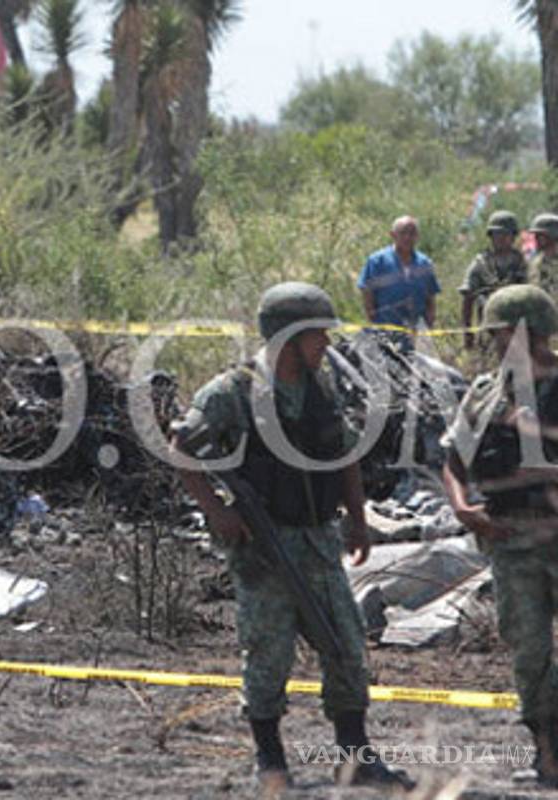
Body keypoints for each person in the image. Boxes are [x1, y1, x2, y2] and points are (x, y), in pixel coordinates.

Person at [171, 282, 413, 792]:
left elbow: (344, 455)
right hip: (264, 549)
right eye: (316, 334)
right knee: (267, 654)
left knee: (346, 646)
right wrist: (218, 512)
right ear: (287, 336)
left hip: (318, 541)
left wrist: (358, 519)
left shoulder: (320, 388)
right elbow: (182, 448)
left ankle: (355, 757)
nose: (325, 344)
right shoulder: (232, 392)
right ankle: (271, 760)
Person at [441, 284, 558, 788]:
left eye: (506, 333)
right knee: (528, 652)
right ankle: (547, 755)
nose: (497, 343)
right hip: (511, 541)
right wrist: (462, 508)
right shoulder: (487, 392)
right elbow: (453, 459)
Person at [357, 216, 441, 348]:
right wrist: (372, 319)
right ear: (393, 235)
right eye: (403, 233)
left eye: (412, 233)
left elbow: (431, 296)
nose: (407, 237)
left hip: (415, 332)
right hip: (384, 330)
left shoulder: (424, 264)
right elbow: (367, 292)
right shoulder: (377, 261)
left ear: (417, 236)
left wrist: (429, 324)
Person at [460, 210, 528, 349]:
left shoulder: (522, 264)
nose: (501, 238)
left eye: (505, 234)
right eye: (497, 234)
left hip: (517, 332)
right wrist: (467, 332)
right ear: (491, 236)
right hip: (488, 332)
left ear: (513, 236)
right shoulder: (480, 264)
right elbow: (467, 299)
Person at [528, 212, 558, 295]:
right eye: (536, 235)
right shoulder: (534, 263)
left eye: (540, 235)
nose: (536, 238)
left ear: (553, 235)